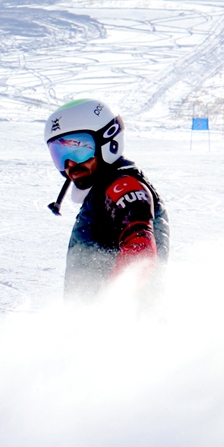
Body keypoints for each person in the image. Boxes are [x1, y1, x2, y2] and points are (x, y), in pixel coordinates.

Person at [43, 98, 170, 301]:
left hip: (123, 318)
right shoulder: (103, 190)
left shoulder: (123, 186)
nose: (70, 164)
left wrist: (106, 308)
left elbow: (140, 251)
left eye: (79, 150)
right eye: (60, 154)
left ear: (108, 141)